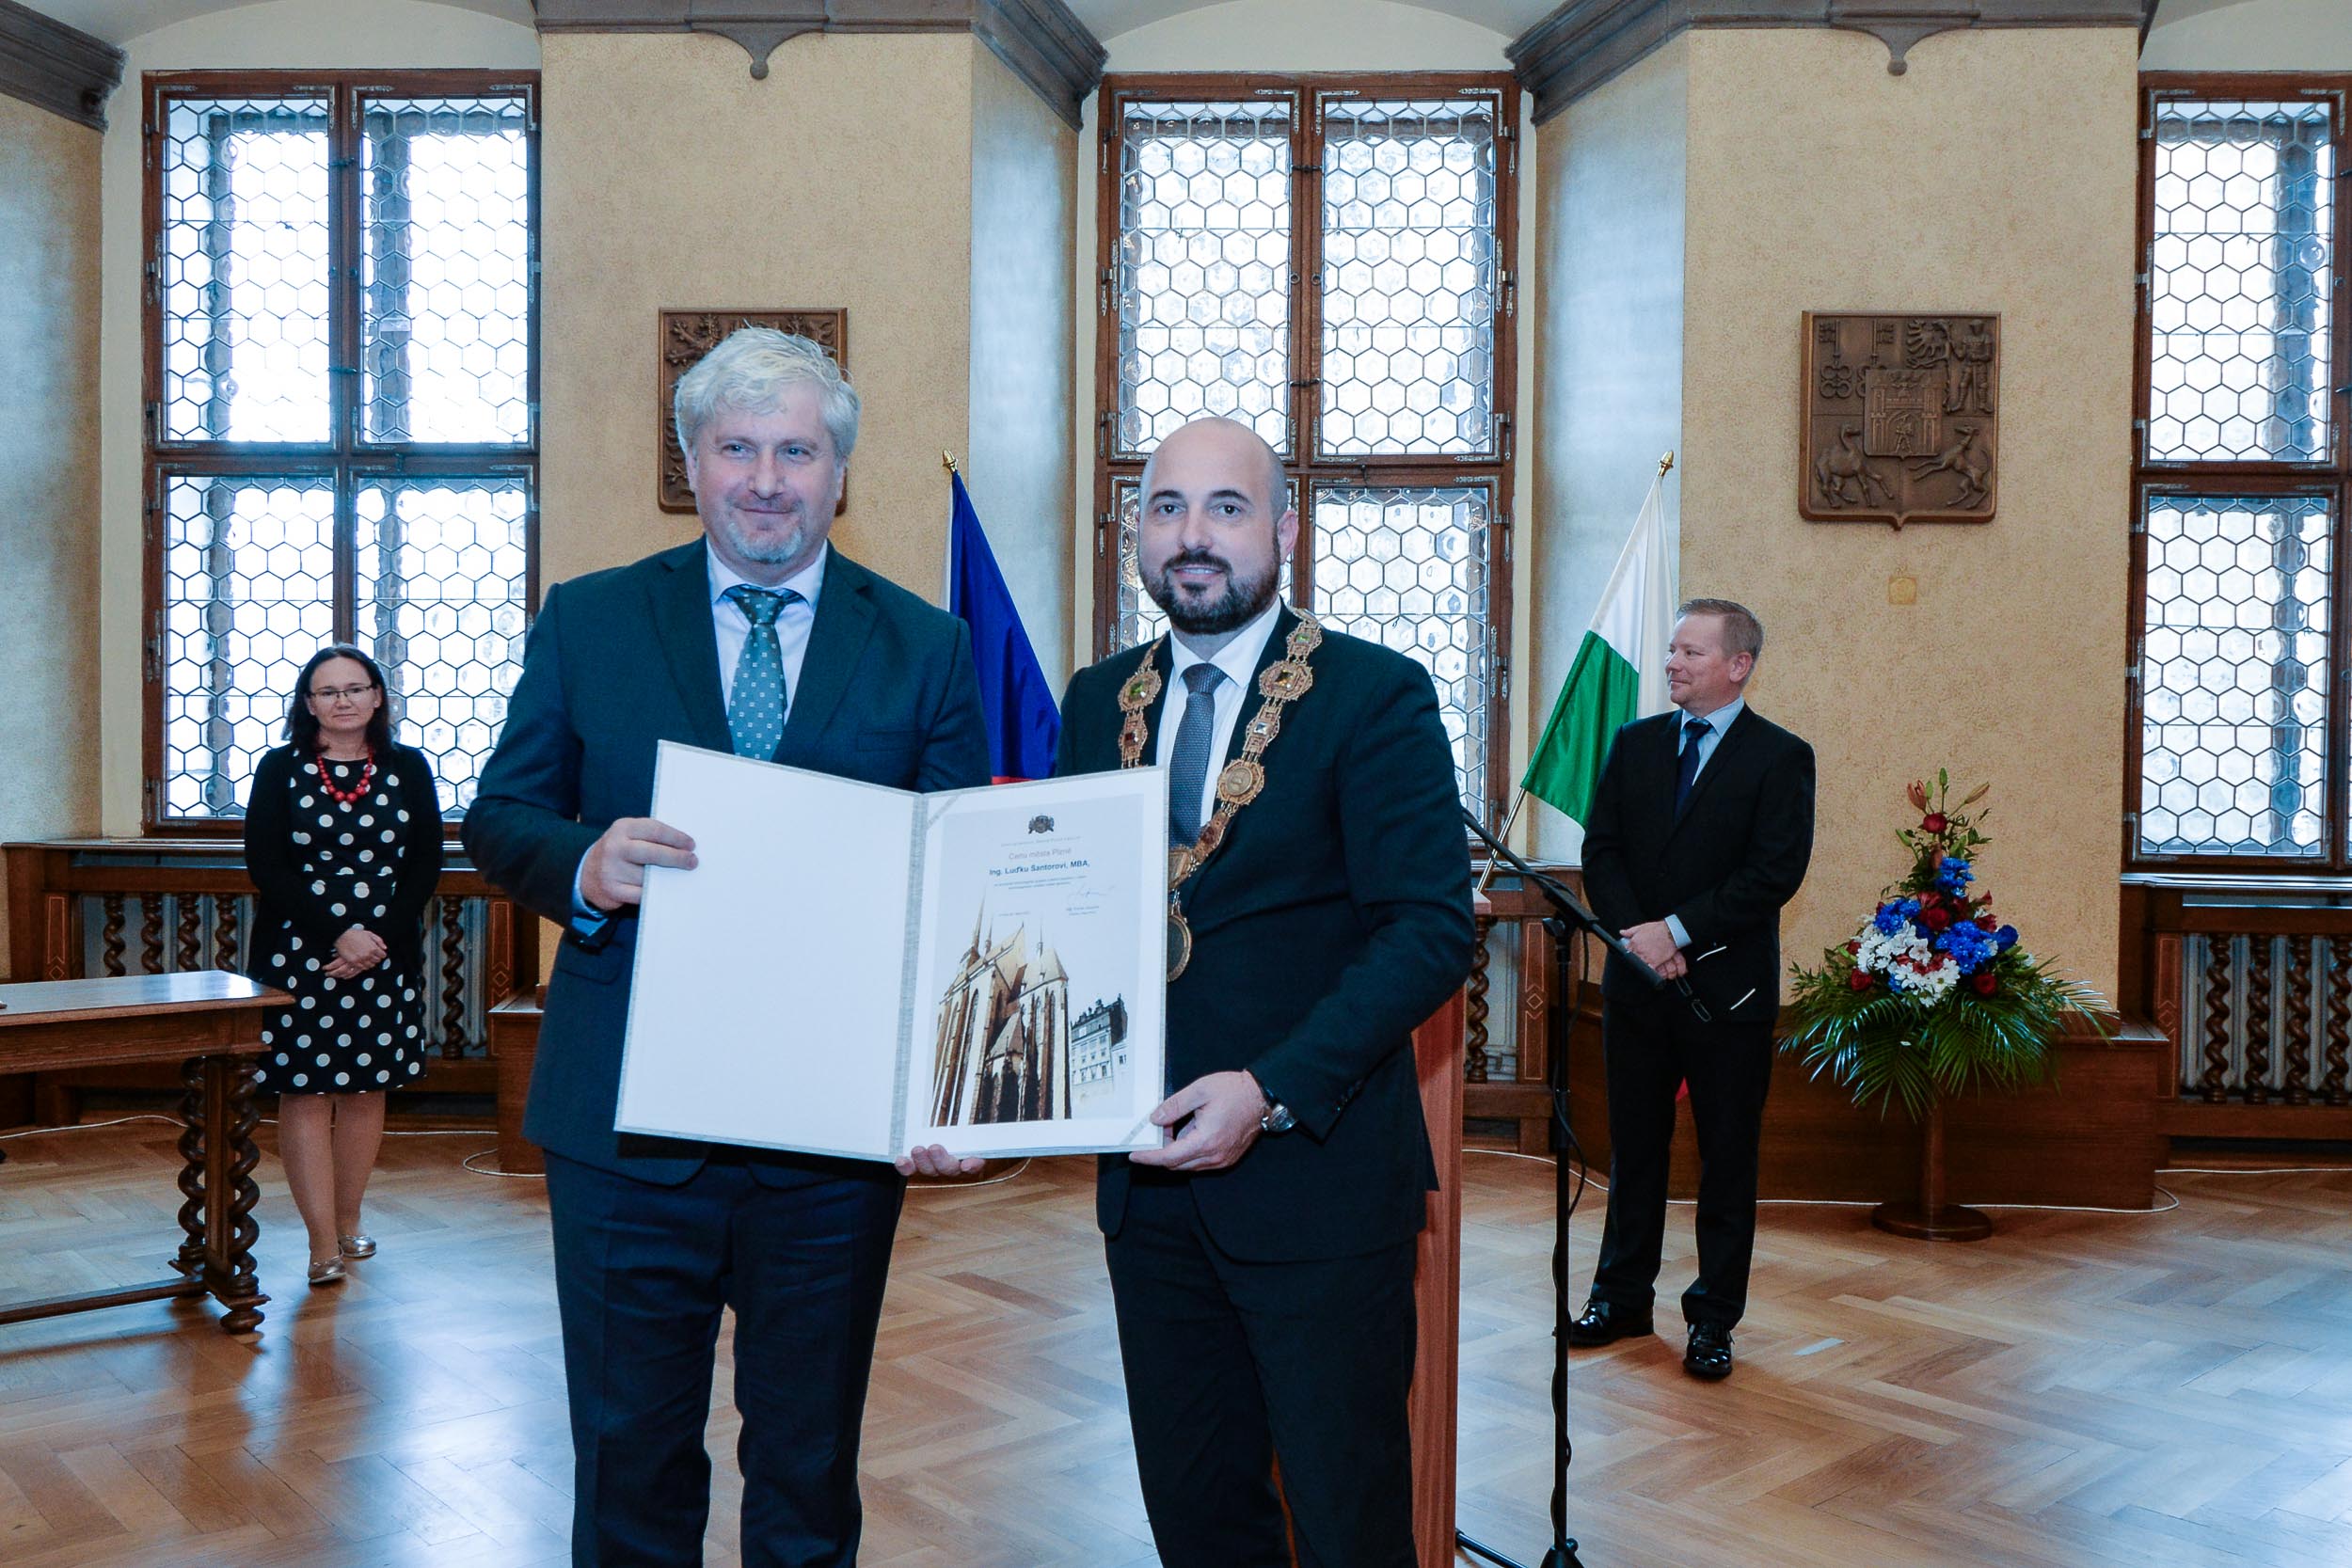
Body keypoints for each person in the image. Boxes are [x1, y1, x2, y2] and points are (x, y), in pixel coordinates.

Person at [464, 326, 989, 1568]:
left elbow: (961, 881)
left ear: (839, 474)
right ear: (692, 464)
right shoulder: (591, 618)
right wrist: (583, 862)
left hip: (832, 1138)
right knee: (629, 1463)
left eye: (795, 451)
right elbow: (501, 815)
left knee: (807, 1471)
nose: (765, 479)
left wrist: (949, 1090)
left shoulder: (925, 645)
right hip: (625, 1131)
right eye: (736, 448)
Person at [1035, 415, 1472, 1568]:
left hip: (1316, 1183)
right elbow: (1064, 919)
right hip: (1145, 1190)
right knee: (1196, 1517)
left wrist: (1270, 1087)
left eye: (1225, 508)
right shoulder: (1096, 699)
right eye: (1167, 506)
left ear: (1282, 529)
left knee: (1345, 1520)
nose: (1193, 535)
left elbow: (1429, 930)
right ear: (1137, 531)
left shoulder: (1373, 693)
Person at [1567, 598, 1815, 1380]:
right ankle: (1620, 1297)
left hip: (1729, 997)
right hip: (1637, 989)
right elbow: (1601, 850)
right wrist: (1641, 935)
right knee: (1634, 1149)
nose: (1672, 662)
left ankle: (1712, 1318)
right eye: (1673, 649)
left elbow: (1773, 873)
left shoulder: (1781, 757)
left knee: (1727, 1160)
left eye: (1691, 652)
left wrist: (1675, 931)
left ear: (1739, 665)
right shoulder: (1635, 744)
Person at [243, 643, 444, 1287]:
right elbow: (266, 865)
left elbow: (426, 862)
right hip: (300, 952)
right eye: (328, 691)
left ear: (377, 696)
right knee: (305, 1092)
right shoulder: (280, 768)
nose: (343, 700)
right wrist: (341, 935)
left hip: (385, 952)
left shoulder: (408, 767)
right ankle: (320, 1240)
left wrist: (374, 939)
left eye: (355, 688)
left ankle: (350, 1218)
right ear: (309, 704)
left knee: (365, 1088)